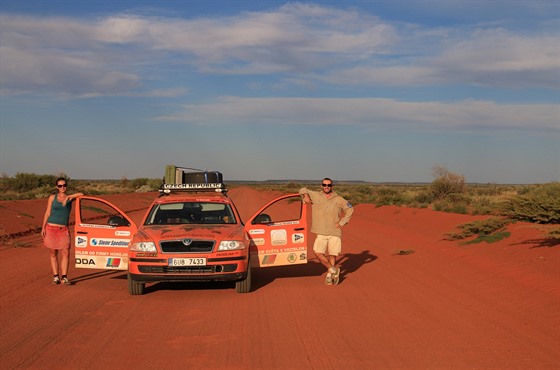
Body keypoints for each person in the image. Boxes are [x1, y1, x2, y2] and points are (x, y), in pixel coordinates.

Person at [299, 178, 354, 285]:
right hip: (321, 231)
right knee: (318, 253)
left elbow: (350, 209)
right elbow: (302, 189)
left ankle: (329, 275)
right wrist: (305, 195)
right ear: (321, 185)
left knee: (332, 254)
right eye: (324, 185)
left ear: (332, 186)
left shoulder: (338, 199)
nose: (326, 187)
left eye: (329, 185)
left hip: (334, 231)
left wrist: (342, 222)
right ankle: (333, 270)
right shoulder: (315, 195)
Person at [41, 177, 83, 285]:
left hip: (63, 229)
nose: (62, 187)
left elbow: (81, 194)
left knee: (66, 252)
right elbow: (47, 212)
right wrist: (43, 227)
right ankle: (56, 277)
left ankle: (64, 277)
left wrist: (69, 196)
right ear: (57, 187)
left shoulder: (69, 199)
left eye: (64, 185)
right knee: (53, 252)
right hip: (51, 228)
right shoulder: (52, 197)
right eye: (60, 186)